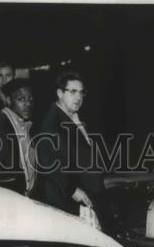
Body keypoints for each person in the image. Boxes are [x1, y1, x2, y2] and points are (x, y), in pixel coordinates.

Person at [34, 71, 105, 221]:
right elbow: (48, 163)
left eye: (81, 92)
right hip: (67, 202)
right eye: (72, 92)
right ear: (60, 93)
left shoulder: (73, 117)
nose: (79, 97)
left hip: (84, 200)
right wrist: (73, 190)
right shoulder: (52, 123)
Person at [0, 79, 36, 196]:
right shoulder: (2, 121)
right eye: (21, 99)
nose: (28, 104)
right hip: (12, 196)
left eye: (30, 99)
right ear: (9, 100)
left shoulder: (23, 122)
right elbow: (1, 172)